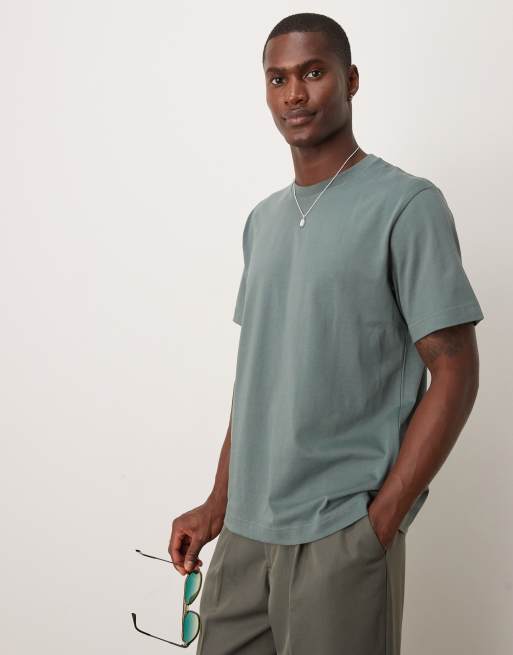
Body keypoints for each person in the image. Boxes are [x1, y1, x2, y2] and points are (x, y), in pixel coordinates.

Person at [169, 12, 484, 655]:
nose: (295, 94)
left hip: (339, 534)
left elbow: (456, 370)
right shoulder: (262, 222)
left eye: (313, 73)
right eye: (278, 78)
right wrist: (217, 503)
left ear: (351, 79)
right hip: (244, 541)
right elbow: (260, 379)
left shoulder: (406, 205)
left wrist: (381, 522)